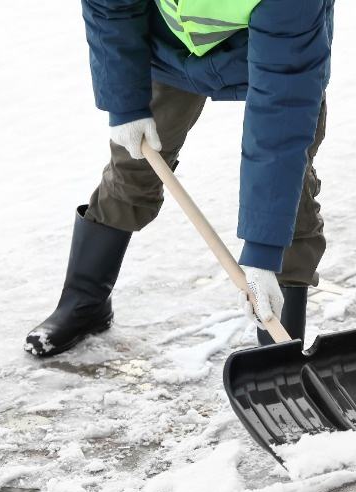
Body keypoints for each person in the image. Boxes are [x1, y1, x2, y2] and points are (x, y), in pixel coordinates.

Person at [25, 0, 334, 357]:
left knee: (288, 193)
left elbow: (281, 116)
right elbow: (110, 7)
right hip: (167, 52)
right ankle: (84, 303)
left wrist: (264, 254)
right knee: (133, 169)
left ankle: (281, 349)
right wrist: (125, 103)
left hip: (274, 58)